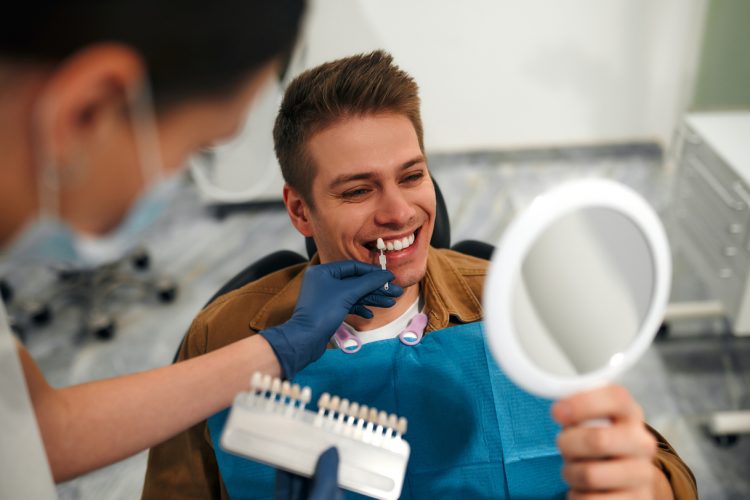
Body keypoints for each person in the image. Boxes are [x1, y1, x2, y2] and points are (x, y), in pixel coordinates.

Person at [144, 51, 697, 499]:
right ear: (300, 210)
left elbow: (664, 474)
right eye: (358, 190)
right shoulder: (223, 339)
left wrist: (645, 484)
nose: (399, 212)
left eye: (412, 176)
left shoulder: (517, 304)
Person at [0, 3, 400, 498]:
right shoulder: (218, 327)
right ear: (84, 114)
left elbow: (35, 432)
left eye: (412, 174)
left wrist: (279, 348)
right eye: (195, 148)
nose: (397, 211)